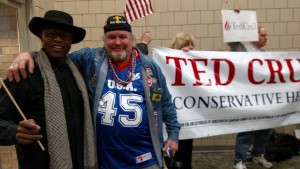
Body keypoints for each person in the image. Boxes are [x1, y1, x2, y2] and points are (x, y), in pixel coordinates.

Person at [6, 15, 180, 169]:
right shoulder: (89, 58)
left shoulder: (149, 66)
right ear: (104, 40)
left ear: (132, 40)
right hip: (103, 159)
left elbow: (166, 104)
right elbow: (54, 56)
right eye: (111, 37)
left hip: (145, 160)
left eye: (123, 37)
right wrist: (30, 54)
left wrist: (173, 136)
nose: (117, 42)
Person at [0, 10, 97, 169]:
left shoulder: (77, 72)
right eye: (51, 34)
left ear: (71, 41)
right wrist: (13, 131)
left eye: (64, 35)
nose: (58, 39)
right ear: (41, 36)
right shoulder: (24, 74)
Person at [229, 7, 273, 169]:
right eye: (263, 35)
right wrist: (236, 19)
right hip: (247, 99)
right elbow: (232, 41)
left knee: (265, 128)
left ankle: (258, 154)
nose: (266, 37)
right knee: (245, 130)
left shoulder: (265, 54)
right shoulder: (243, 50)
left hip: (263, 99)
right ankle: (239, 160)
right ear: (254, 36)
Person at [169, 32, 195, 169]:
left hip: (189, 119)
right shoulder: (168, 65)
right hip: (174, 119)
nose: (190, 48)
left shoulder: (195, 65)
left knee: (186, 153)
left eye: (191, 45)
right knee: (174, 154)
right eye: (186, 45)